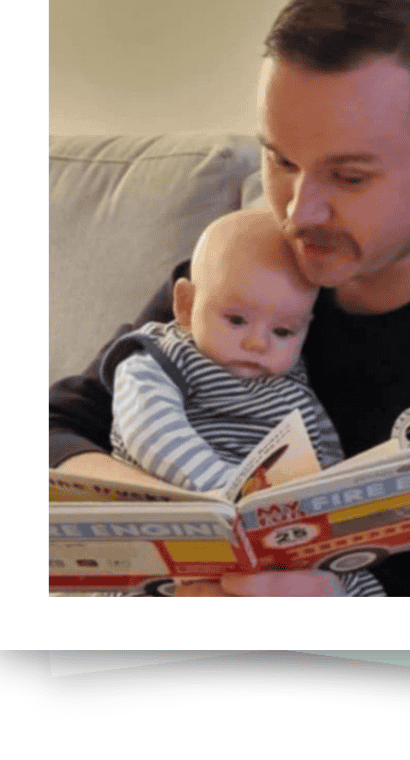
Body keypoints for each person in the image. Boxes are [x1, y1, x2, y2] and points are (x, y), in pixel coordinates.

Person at [50, 0, 410, 597]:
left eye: (348, 176)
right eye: (281, 160)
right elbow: (56, 423)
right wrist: (197, 532)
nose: (296, 212)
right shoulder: (253, 259)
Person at [105, 209, 384, 597]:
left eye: (284, 330)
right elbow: (150, 431)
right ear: (186, 305)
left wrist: (337, 514)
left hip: (273, 530)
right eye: (236, 320)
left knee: (355, 579)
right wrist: (222, 492)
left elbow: (325, 452)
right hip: (187, 512)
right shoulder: (162, 358)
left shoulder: (292, 385)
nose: (258, 343)